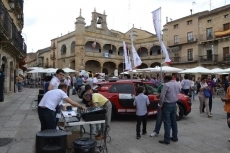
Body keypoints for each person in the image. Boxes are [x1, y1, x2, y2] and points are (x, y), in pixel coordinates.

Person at [159, 75, 180, 145]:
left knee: (167, 122)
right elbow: (178, 93)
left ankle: (167, 139)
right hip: (174, 104)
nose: (164, 81)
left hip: (167, 104)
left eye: (164, 79)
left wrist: (160, 104)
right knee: (174, 121)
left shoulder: (166, 85)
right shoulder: (177, 84)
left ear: (167, 79)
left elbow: (162, 96)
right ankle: (175, 136)